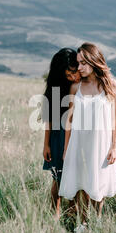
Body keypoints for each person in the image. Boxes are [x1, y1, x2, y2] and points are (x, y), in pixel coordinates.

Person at [59, 42, 116, 233]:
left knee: (98, 183)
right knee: (83, 183)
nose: (80, 67)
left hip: (100, 142)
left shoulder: (111, 85)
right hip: (79, 142)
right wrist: (66, 149)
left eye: (84, 63)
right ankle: (84, 224)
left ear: (94, 61)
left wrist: (114, 147)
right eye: (78, 63)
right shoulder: (75, 87)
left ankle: (98, 223)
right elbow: (68, 121)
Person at [42, 48, 80, 219]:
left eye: (75, 71)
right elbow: (49, 118)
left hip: (77, 133)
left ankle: (73, 211)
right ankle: (55, 214)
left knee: (75, 174)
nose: (74, 76)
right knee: (58, 176)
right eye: (69, 74)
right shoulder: (55, 87)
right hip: (58, 134)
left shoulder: (82, 83)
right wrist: (46, 144)